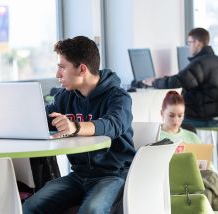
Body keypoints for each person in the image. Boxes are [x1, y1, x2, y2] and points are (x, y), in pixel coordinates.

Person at [23, 36, 136, 214]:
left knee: (91, 210)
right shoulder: (64, 97)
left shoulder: (118, 97)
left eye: (62, 67)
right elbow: (37, 118)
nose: (57, 74)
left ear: (82, 69)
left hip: (114, 175)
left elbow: (113, 124)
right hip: (79, 176)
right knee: (31, 207)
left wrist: (75, 127)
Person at [157, 90, 218, 211]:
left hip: (196, 180)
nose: (176, 120)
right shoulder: (156, 136)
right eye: (171, 115)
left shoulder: (192, 137)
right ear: (162, 113)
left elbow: (207, 166)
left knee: (209, 187)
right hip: (170, 180)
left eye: (180, 116)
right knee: (210, 183)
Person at [144, 28, 218, 124]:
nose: (188, 46)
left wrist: (154, 82)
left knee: (168, 113)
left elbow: (177, 82)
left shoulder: (200, 63)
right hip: (216, 112)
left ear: (197, 42)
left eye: (189, 43)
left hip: (202, 114)